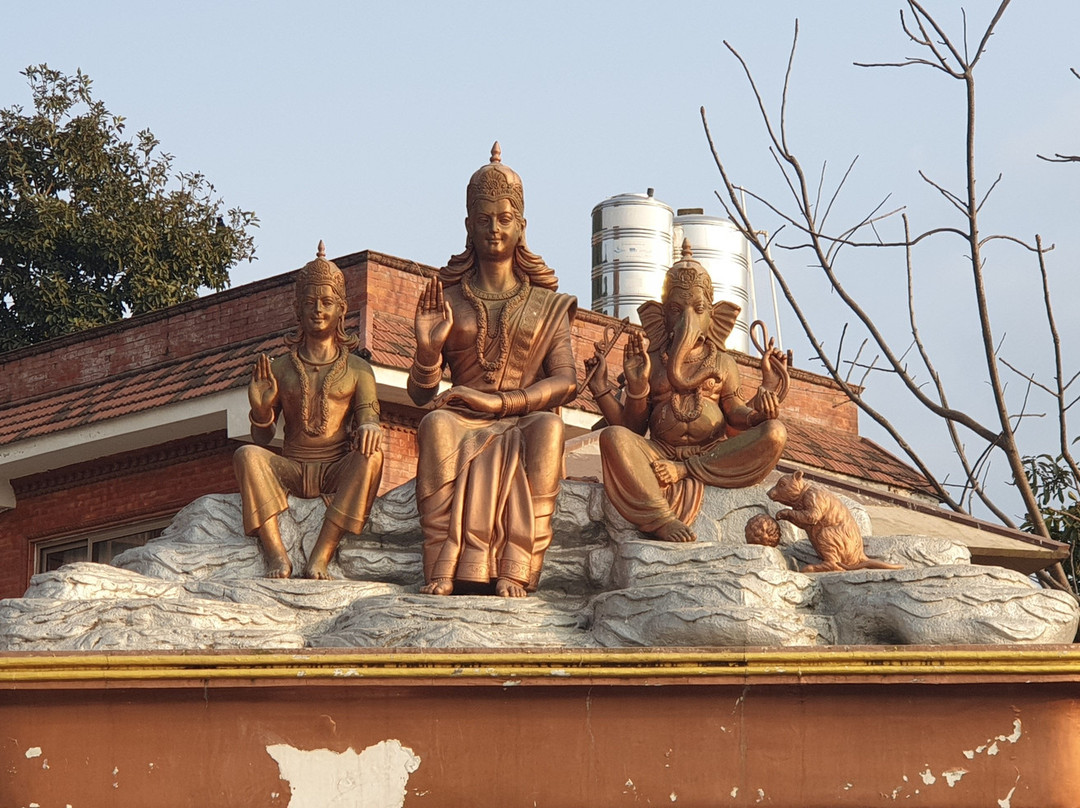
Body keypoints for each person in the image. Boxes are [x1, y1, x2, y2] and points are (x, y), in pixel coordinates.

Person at [408, 143, 577, 598]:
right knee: (436, 425)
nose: (495, 229)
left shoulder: (548, 305)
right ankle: (442, 566)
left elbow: (567, 381)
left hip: (523, 415)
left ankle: (516, 568)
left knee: (548, 431)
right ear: (468, 226)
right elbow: (421, 396)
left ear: (522, 225)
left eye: (505, 219)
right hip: (463, 417)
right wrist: (428, 352)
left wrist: (504, 402)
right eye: (484, 220)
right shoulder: (448, 298)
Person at [586, 243, 787, 543]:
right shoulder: (651, 362)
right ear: (660, 317)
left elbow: (734, 415)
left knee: (775, 433)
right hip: (660, 453)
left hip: (712, 453)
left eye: (698, 309)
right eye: (676, 310)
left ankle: (686, 470)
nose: (687, 319)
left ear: (714, 317)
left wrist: (761, 408)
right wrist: (637, 386)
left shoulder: (723, 362)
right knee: (612, 438)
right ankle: (660, 518)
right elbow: (633, 429)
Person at [234, 242, 383, 579]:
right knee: (246, 455)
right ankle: (276, 554)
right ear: (297, 310)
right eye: (310, 303)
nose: (318, 309)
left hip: (335, 467)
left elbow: (369, 417)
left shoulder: (359, 369)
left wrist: (369, 428)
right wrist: (260, 410)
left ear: (341, 309)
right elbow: (263, 436)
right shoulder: (282, 367)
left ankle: (321, 554)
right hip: (291, 466)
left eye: (327, 302)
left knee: (373, 456)